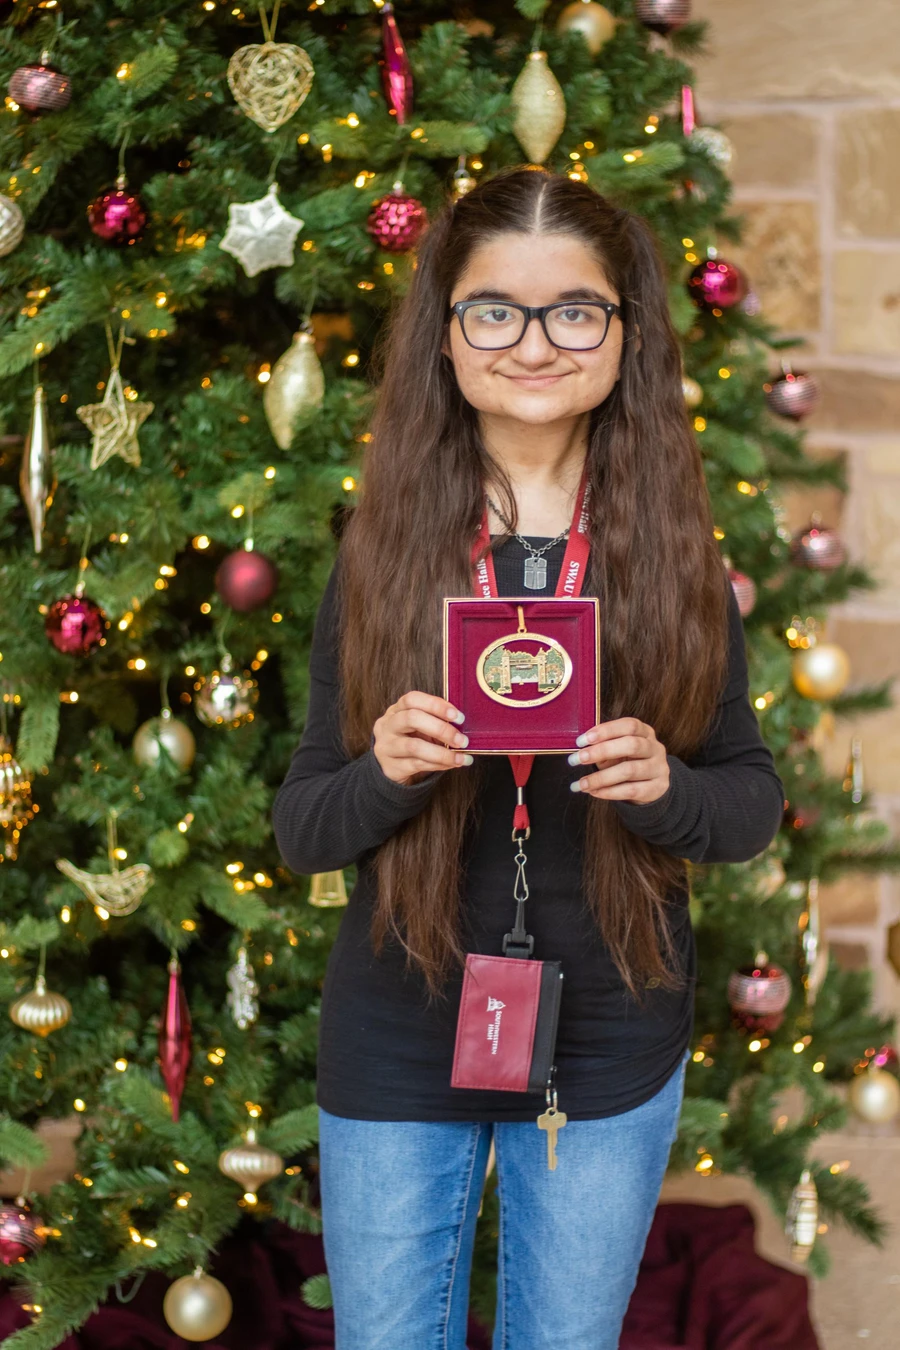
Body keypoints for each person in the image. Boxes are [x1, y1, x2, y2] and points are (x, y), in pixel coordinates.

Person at [272, 167, 784, 1350]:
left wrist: (667, 789)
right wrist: (388, 767)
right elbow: (305, 827)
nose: (534, 343)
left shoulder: (673, 560)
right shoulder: (384, 554)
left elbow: (749, 803)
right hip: (400, 1025)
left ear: (623, 335)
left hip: (609, 1033)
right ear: (446, 336)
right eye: (494, 309)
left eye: (575, 311)